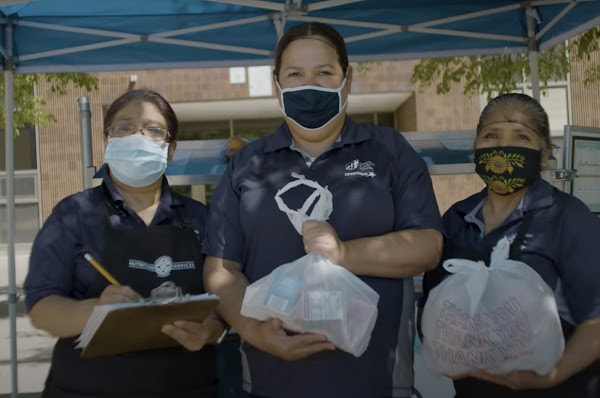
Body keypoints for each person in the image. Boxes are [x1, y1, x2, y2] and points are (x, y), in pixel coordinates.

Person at [202, 22, 443, 398]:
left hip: (376, 382)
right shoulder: (247, 165)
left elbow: (428, 245)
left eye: (324, 73)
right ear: (276, 85)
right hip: (271, 381)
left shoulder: (389, 151)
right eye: (295, 74)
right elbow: (221, 269)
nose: (308, 85)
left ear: (346, 81)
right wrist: (252, 330)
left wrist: (345, 253)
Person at [24, 89, 226, 398]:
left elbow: (224, 306)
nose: (138, 137)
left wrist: (209, 331)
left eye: (153, 129)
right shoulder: (73, 214)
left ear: (170, 150)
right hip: (87, 389)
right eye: (124, 127)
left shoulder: (201, 219)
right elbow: (41, 308)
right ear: (108, 142)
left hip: (187, 387)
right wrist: (95, 312)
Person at [420, 93, 600, 398]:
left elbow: (596, 321)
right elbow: (434, 304)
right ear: (476, 147)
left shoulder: (566, 216)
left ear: (543, 155)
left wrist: (551, 377)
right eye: (491, 135)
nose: (504, 147)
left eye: (521, 136)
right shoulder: (457, 218)